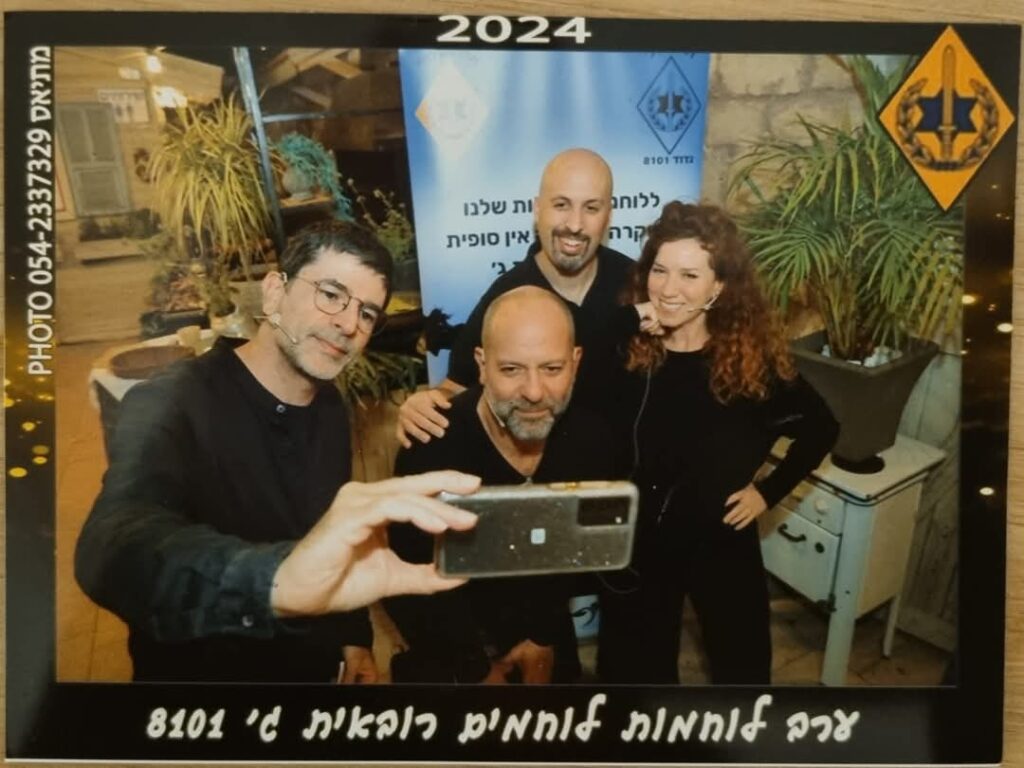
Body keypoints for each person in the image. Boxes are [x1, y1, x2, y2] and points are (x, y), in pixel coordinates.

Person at [75, 220, 479, 683]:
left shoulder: (328, 406)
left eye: (367, 314)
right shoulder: (170, 401)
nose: (349, 324)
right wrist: (275, 581)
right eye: (331, 294)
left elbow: (327, 529)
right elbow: (113, 547)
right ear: (273, 293)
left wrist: (353, 639)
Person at [597, 202, 839, 685]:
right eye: (660, 270)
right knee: (635, 680)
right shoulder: (628, 350)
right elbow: (571, 353)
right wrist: (627, 321)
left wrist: (767, 493)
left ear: (719, 287)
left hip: (721, 539)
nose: (668, 288)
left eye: (689, 275)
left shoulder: (751, 363)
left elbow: (821, 428)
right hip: (643, 542)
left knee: (742, 672)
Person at [384, 286, 618, 684]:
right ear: (481, 364)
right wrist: (476, 670)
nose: (534, 392)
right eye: (511, 370)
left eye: (552, 369)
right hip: (453, 649)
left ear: (576, 362)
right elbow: (405, 574)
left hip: (547, 637)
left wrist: (542, 640)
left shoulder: (592, 442)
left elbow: (576, 555)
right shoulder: (432, 442)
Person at [396, 147, 640, 448]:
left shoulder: (637, 283)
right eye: (561, 205)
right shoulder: (506, 297)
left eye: (591, 208)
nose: (575, 224)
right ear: (538, 210)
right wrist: (422, 406)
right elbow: (455, 389)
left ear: (609, 216)